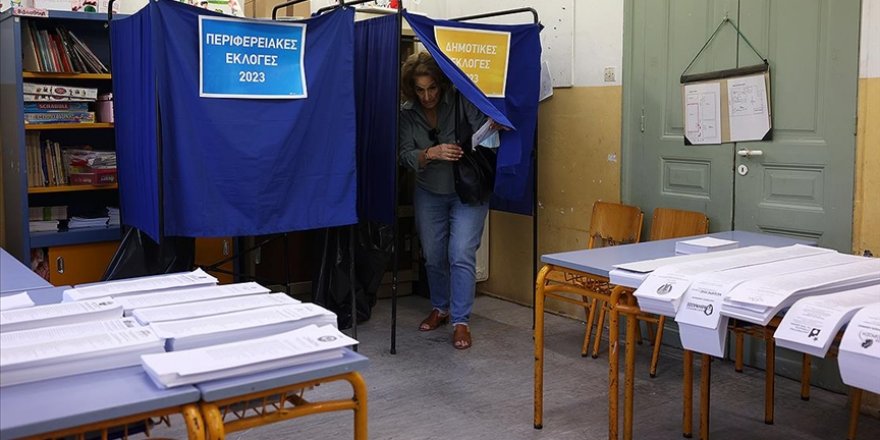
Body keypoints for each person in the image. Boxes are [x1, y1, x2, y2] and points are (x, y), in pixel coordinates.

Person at [399, 52, 491, 350]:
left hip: (467, 190)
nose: (427, 96)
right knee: (434, 254)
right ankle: (441, 307)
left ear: (442, 84)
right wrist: (430, 154)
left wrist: (495, 125)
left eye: (432, 88)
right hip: (429, 191)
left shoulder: (460, 100)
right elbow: (402, 155)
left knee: (461, 253)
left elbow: (485, 129)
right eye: (420, 90)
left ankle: (461, 321)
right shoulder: (406, 113)